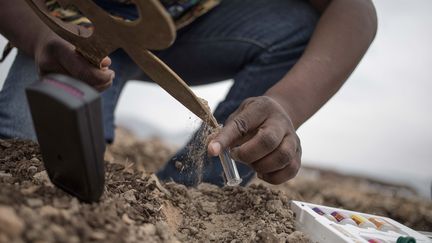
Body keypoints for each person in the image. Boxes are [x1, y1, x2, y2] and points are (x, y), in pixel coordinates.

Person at [0, 0, 377, 186]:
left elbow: (354, 9)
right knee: (33, 164)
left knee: (300, 25)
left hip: (191, 26)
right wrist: (39, 39)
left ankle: (191, 187)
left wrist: (286, 104)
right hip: (73, 29)